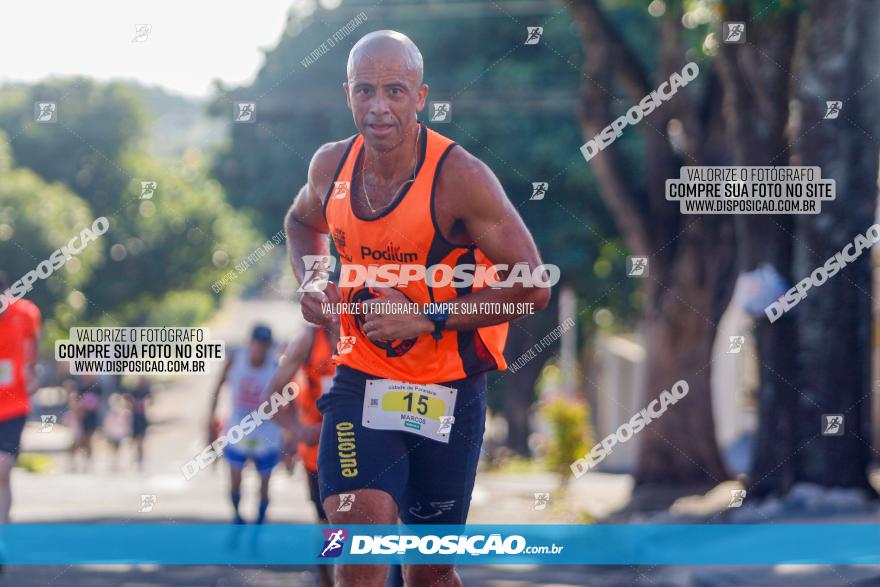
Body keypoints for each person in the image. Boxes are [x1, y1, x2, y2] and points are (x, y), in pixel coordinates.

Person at [284, 31, 550, 587]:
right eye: (365, 91)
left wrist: (426, 317)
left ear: (421, 96)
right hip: (361, 378)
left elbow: (534, 286)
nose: (379, 107)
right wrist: (314, 283)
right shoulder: (330, 166)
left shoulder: (461, 178)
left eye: (396, 91)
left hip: (449, 389)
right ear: (347, 95)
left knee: (428, 574)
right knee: (359, 542)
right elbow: (301, 222)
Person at [263, 324, 336, 587]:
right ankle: (329, 580)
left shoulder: (370, 327)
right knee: (328, 523)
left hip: (368, 446)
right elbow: (270, 397)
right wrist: (298, 430)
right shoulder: (310, 338)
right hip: (321, 451)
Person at [208, 324, 282, 524]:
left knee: (264, 483)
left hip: (266, 432)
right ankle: (237, 517)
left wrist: (290, 434)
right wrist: (211, 418)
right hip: (238, 429)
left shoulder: (275, 366)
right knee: (234, 481)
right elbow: (217, 388)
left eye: (264, 345)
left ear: (268, 347)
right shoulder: (235, 360)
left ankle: (259, 521)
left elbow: (287, 401)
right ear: (250, 343)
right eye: (257, 344)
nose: (260, 349)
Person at [0, 271, 41, 524]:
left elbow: (33, 349)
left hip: (13, 406)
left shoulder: (25, 314)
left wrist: (32, 373)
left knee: (2, 469)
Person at [66, 373, 102, 472]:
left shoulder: (97, 387)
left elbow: (96, 403)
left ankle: (87, 463)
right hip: (79, 419)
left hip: (91, 418)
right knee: (76, 441)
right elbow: (73, 401)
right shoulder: (79, 387)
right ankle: (72, 463)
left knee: (88, 440)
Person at [126, 376, 152, 471]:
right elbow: (127, 402)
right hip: (133, 419)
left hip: (142, 419)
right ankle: (134, 458)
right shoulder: (132, 391)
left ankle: (140, 460)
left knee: (141, 441)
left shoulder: (146, 391)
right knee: (133, 441)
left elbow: (150, 402)